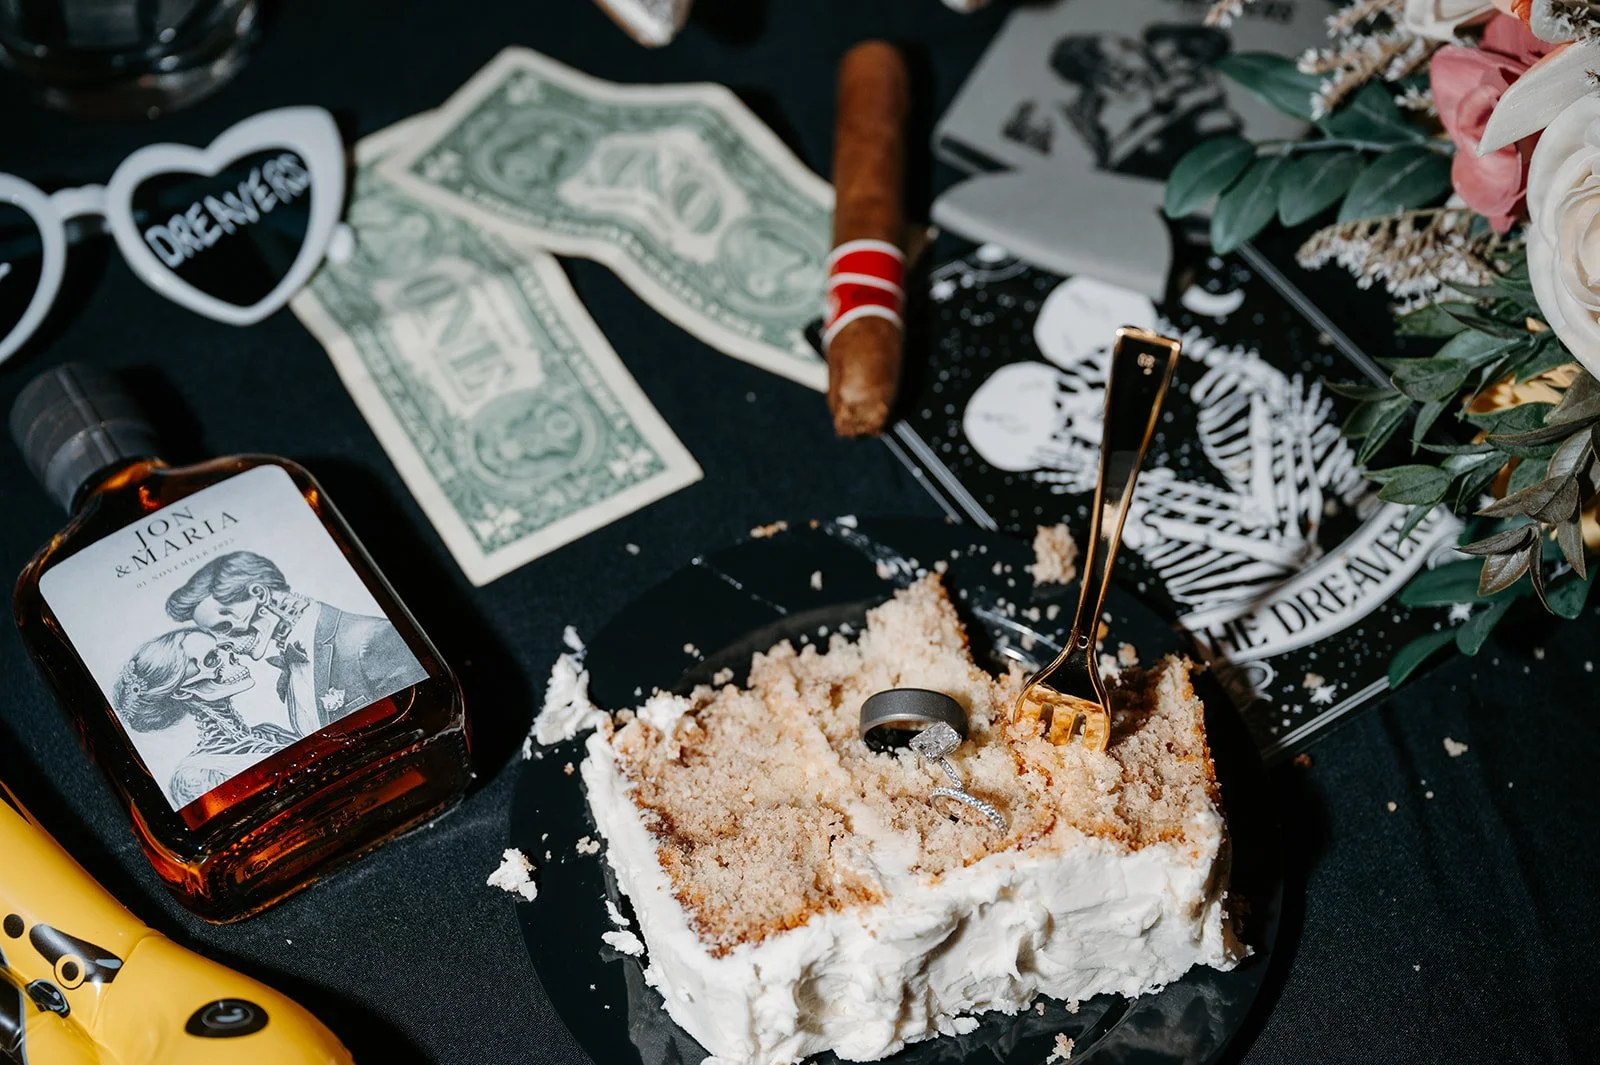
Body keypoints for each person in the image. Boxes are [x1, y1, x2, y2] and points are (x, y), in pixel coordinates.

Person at [163, 551, 426, 737]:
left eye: (223, 628)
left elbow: (420, 722)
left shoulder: (368, 639)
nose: (223, 644)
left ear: (259, 594)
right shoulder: (290, 665)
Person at [113, 628, 299, 808]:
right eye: (212, 659)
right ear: (181, 692)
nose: (232, 657)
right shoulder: (195, 776)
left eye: (225, 648)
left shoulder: (269, 732)